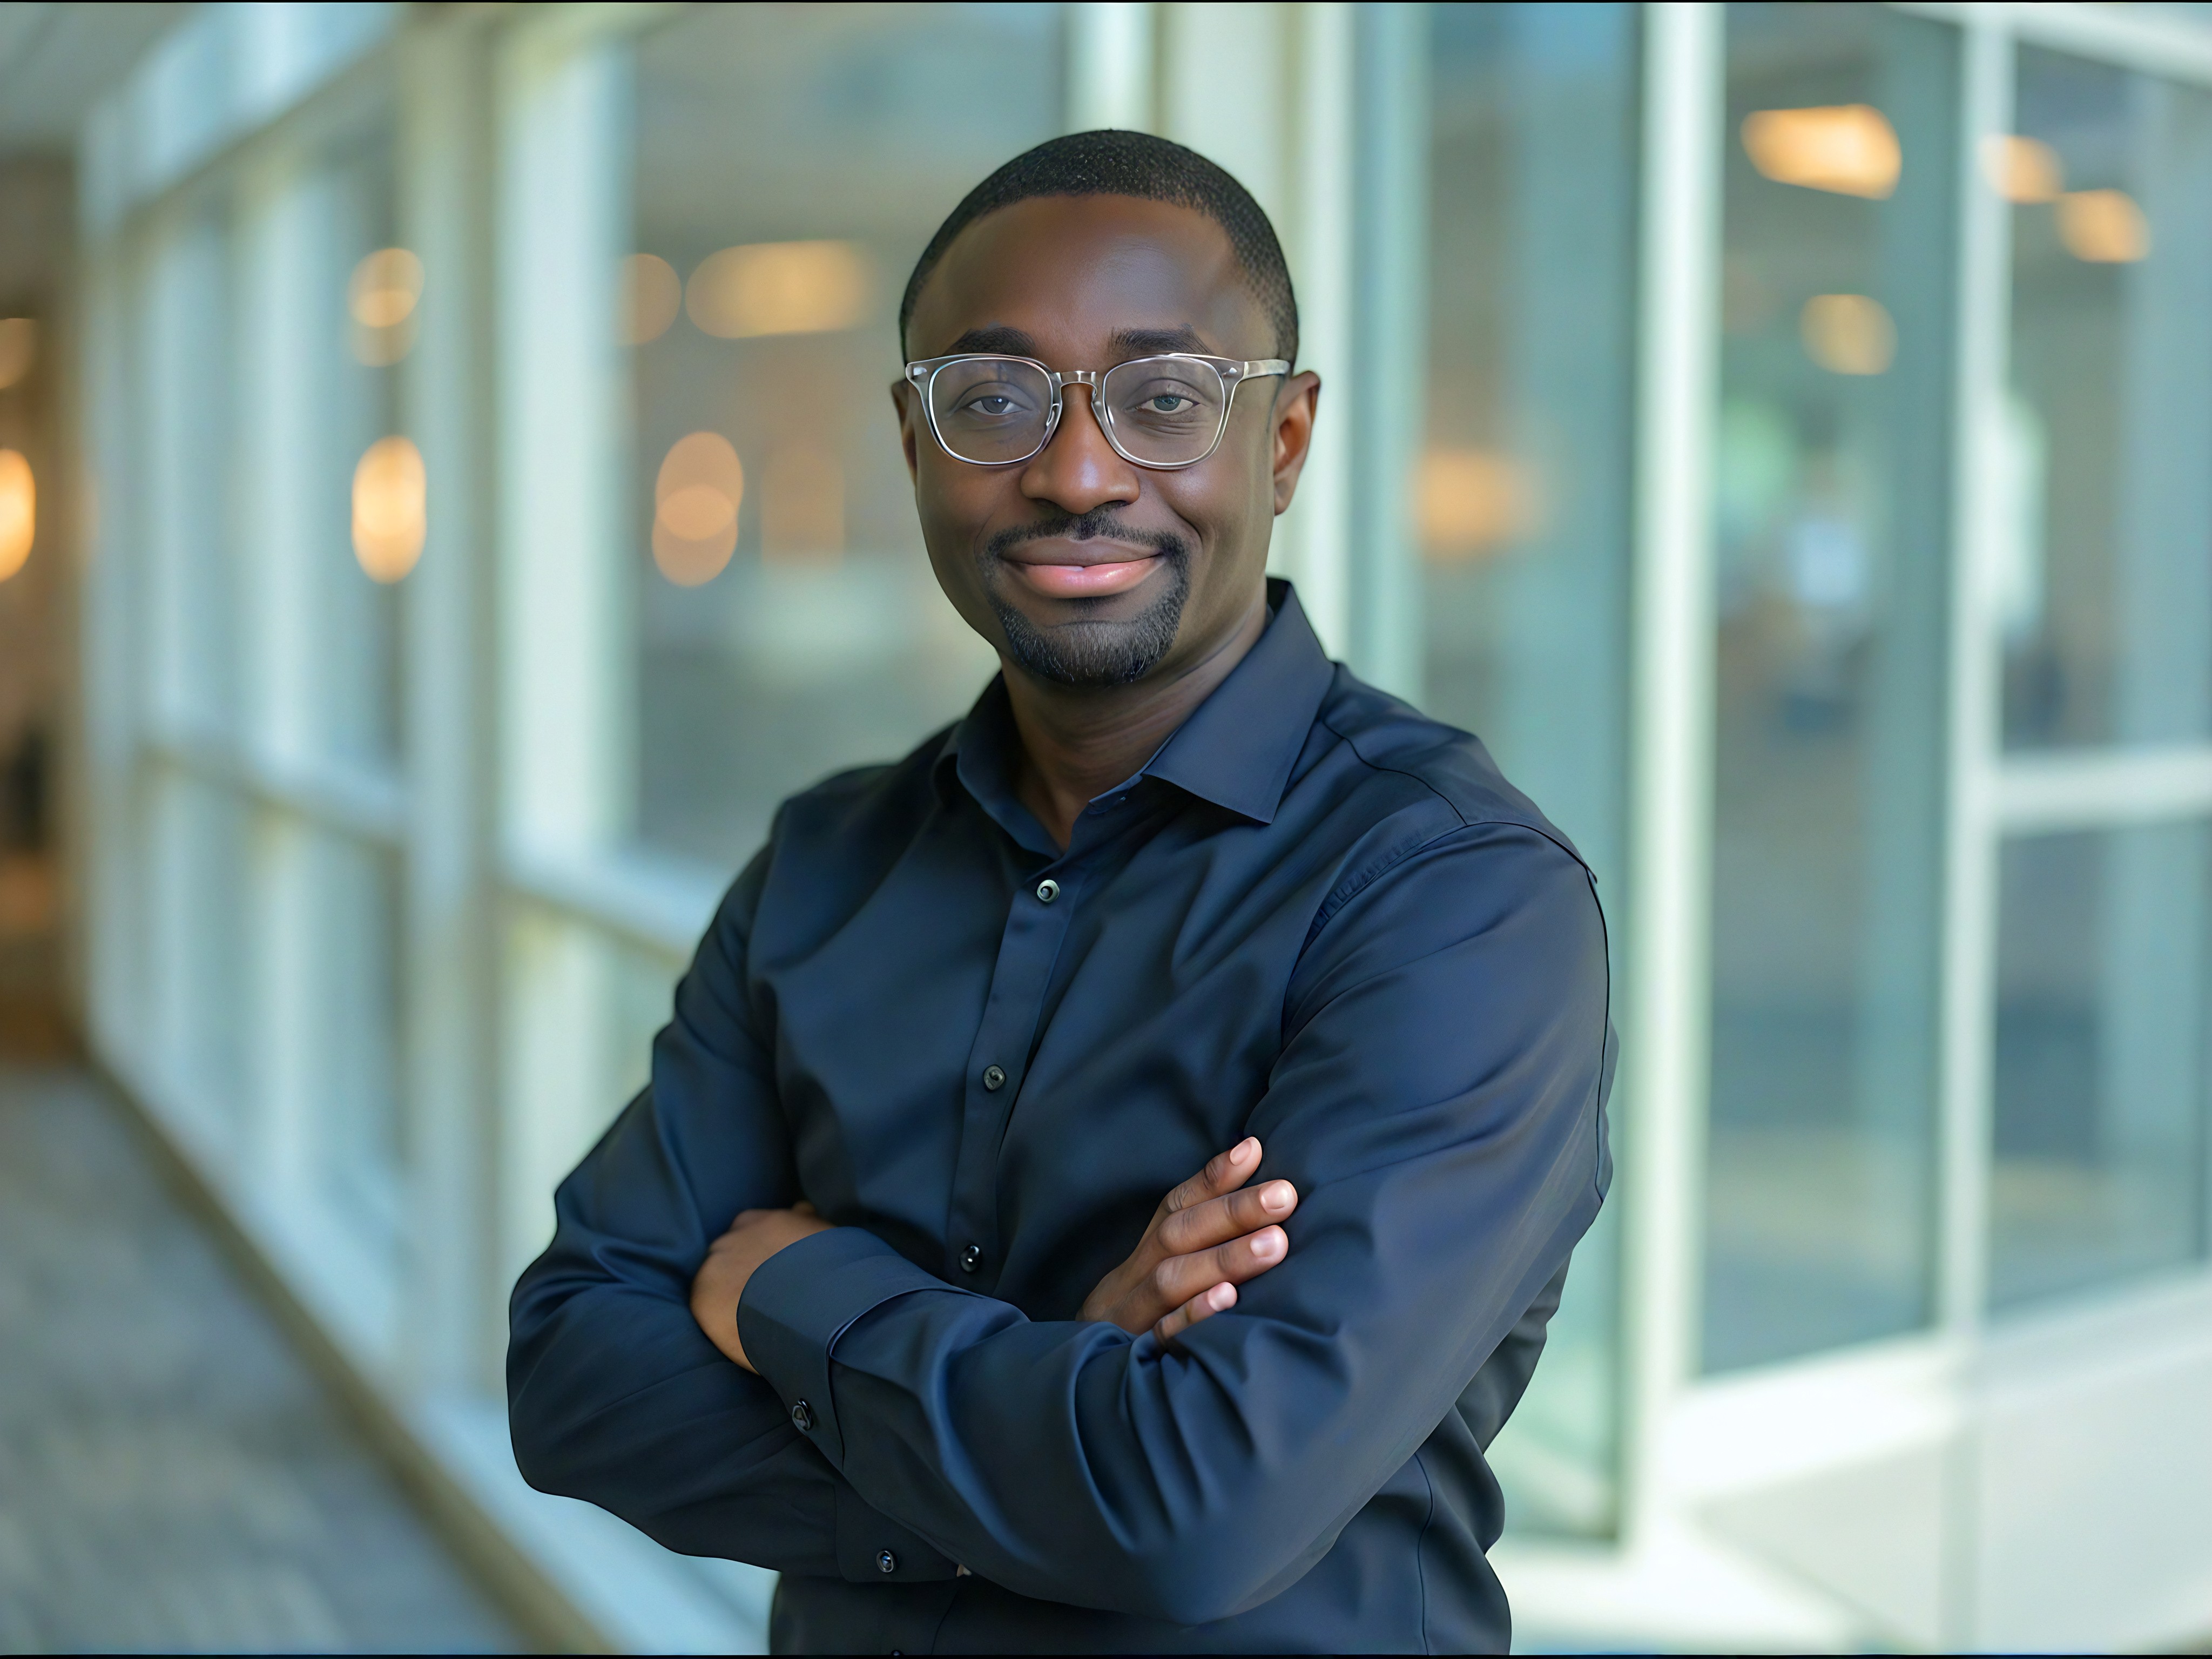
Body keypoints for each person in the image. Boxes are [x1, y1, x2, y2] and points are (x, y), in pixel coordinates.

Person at [508, 130, 1614, 1655]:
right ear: (915, 447)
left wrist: (805, 1290)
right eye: (992, 400)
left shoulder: (1453, 898)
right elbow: (575, 1375)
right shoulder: (826, 865)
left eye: (1165, 400)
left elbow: (1198, 1506)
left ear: (1283, 443)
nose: (1079, 471)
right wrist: (1064, 1395)